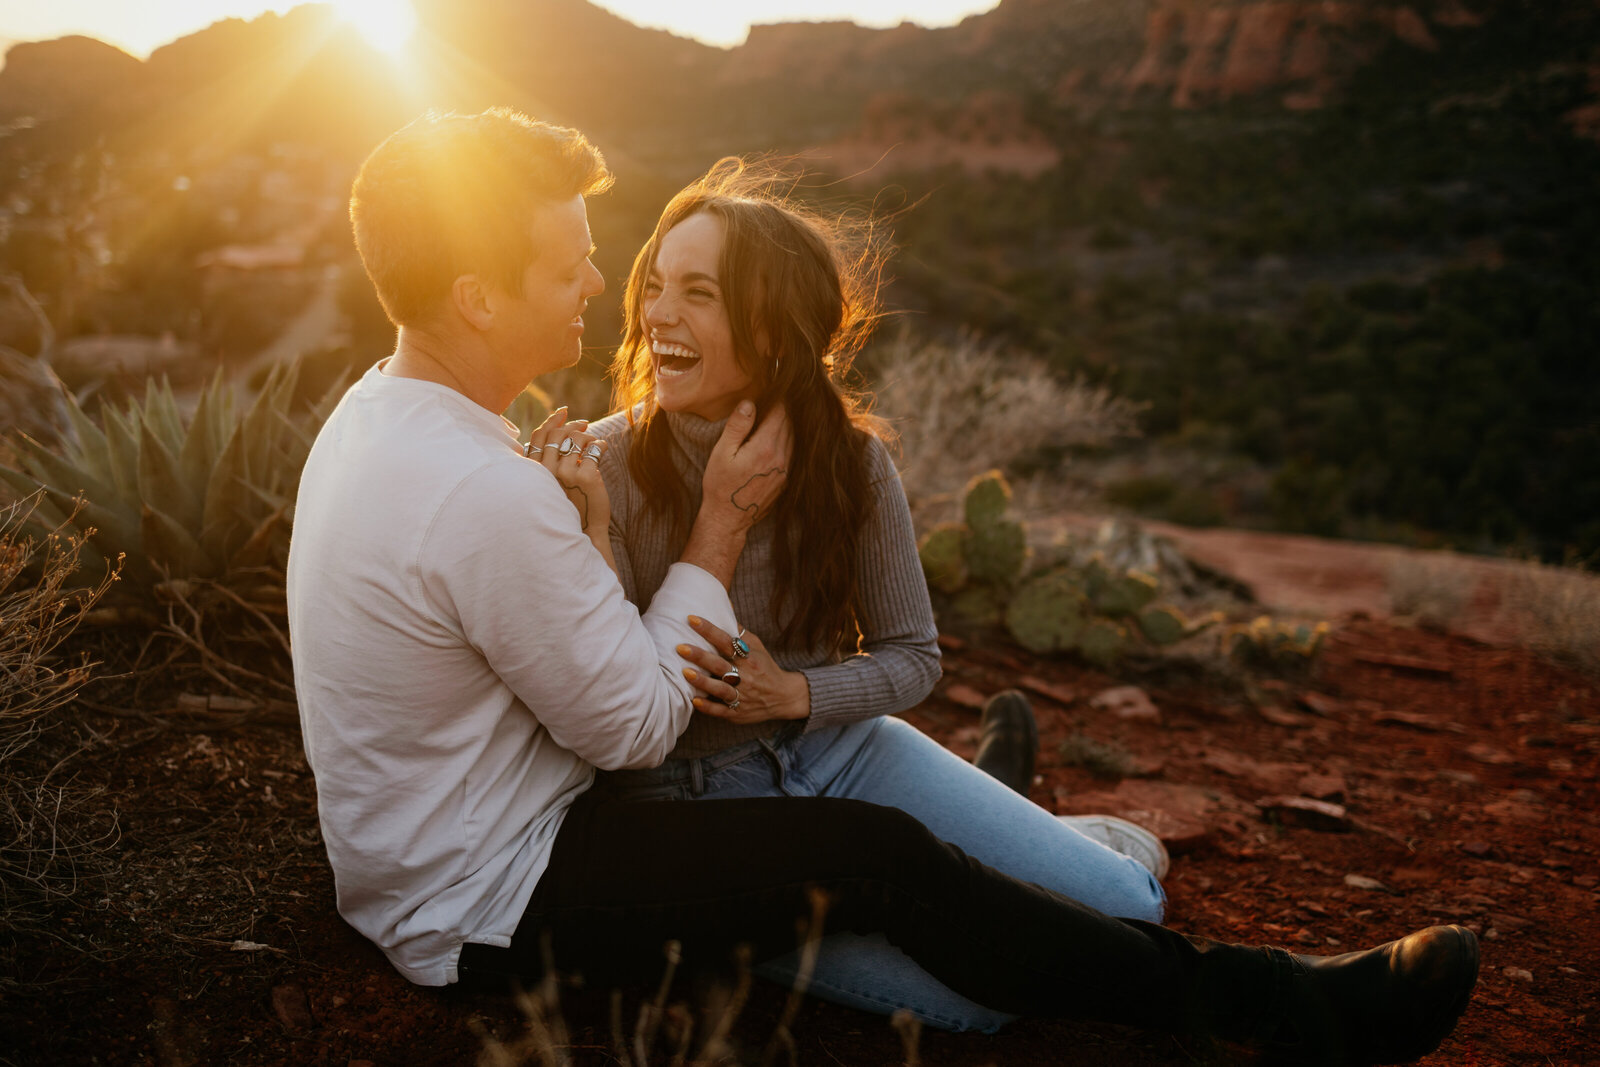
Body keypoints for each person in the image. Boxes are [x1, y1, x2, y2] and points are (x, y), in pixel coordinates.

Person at [287, 108, 1479, 1067]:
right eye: (577, 264)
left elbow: (889, 651)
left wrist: (794, 690)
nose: (609, 288)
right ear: (479, 296)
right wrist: (714, 524)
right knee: (955, 962)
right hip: (507, 885)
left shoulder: (385, 419)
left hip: (493, 848)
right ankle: (1272, 1005)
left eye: (647, 271)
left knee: (1094, 894)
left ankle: (1047, 855)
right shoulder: (514, 478)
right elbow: (633, 727)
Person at [589, 160, 1171, 1032]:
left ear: (774, 327)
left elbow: (913, 655)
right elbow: (603, 693)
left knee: (1132, 908)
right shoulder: (604, 468)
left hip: (840, 748)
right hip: (693, 806)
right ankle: (1001, 822)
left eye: (697, 292)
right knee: (982, 999)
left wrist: (797, 693)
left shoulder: (852, 463)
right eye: (657, 285)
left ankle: (1068, 840)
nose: (658, 314)